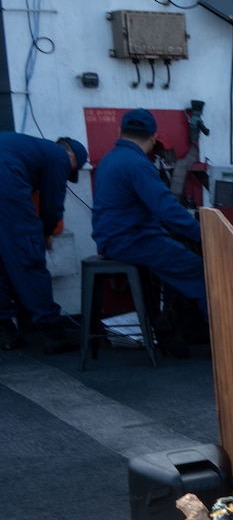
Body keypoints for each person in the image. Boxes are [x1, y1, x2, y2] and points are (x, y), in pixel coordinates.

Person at [91, 109, 209, 354]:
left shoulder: (110, 159)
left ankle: (170, 332)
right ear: (153, 138)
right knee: (200, 271)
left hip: (115, 239)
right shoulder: (138, 164)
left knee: (175, 263)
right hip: (132, 240)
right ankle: (227, 341)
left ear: (120, 132)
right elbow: (166, 209)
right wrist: (205, 235)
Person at [0, 133, 87, 352]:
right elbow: (52, 201)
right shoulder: (59, 155)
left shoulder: (31, 149)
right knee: (28, 252)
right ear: (71, 154)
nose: (68, 174)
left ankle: (5, 331)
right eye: (72, 170)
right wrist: (46, 232)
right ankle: (52, 332)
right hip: (4, 181)